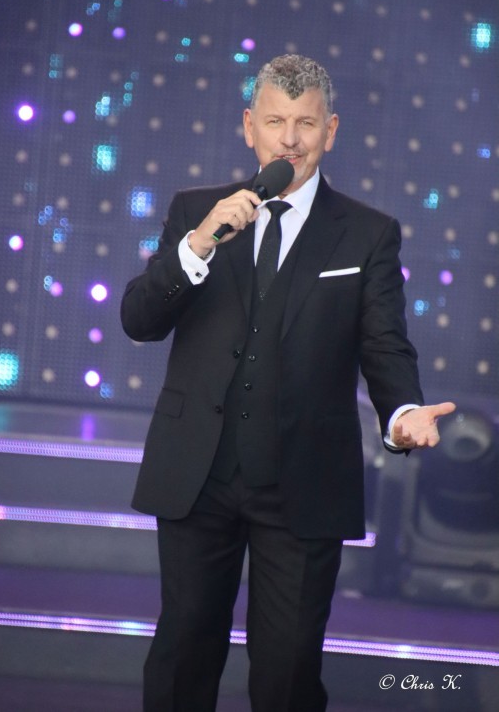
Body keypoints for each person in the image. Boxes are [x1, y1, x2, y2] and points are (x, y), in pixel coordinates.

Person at [120, 54, 455, 712]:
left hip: (303, 481)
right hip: (198, 474)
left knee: (289, 672)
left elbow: (384, 344)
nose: (290, 140)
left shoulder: (368, 234)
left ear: (331, 130)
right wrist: (198, 244)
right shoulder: (197, 212)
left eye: (306, 123)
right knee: (182, 657)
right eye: (275, 122)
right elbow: (139, 320)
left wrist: (401, 414)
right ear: (250, 127)